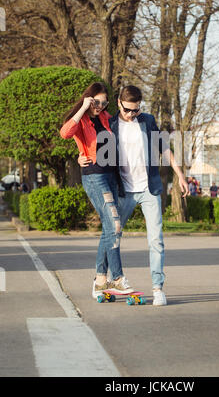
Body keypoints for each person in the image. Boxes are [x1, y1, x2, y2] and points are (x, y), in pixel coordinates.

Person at [78, 85, 190, 306]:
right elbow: (90, 142)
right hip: (123, 190)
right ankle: (102, 279)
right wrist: (80, 157)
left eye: (136, 110)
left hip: (149, 189)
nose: (131, 114)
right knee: (112, 234)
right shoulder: (108, 123)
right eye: (128, 110)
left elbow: (164, 147)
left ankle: (158, 288)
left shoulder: (147, 121)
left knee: (156, 240)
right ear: (119, 103)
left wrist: (180, 175)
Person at [60, 82, 134, 299]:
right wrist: (83, 108)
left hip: (112, 176)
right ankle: (118, 279)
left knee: (109, 228)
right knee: (115, 224)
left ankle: (101, 280)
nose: (99, 106)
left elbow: (124, 128)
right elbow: (65, 133)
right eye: (96, 102)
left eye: (103, 103)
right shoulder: (82, 119)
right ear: (88, 99)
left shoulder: (106, 118)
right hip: (94, 176)